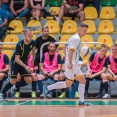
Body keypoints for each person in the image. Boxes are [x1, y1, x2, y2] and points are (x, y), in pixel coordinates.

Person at [44, 23, 92, 106]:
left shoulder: (73, 37)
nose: (85, 33)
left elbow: (64, 47)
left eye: (86, 31)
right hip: (72, 64)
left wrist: (66, 58)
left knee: (82, 81)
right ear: (79, 29)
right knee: (68, 84)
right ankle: (48, 88)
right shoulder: (76, 39)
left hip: (73, 64)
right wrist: (69, 63)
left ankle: (81, 101)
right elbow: (70, 51)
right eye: (84, 30)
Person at [0, 29, 36, 101]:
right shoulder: (19, 44)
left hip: (23, 61)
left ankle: (15, 87)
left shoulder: (33, 42)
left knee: (29, 80)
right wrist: (26, 66)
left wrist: (33, 57)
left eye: (31, 36)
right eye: (29, 36)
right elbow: (17, 59)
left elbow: (34, 49)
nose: (30, 38)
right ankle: (2, 94)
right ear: (24, 36)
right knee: (13, 81)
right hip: (15, 62)